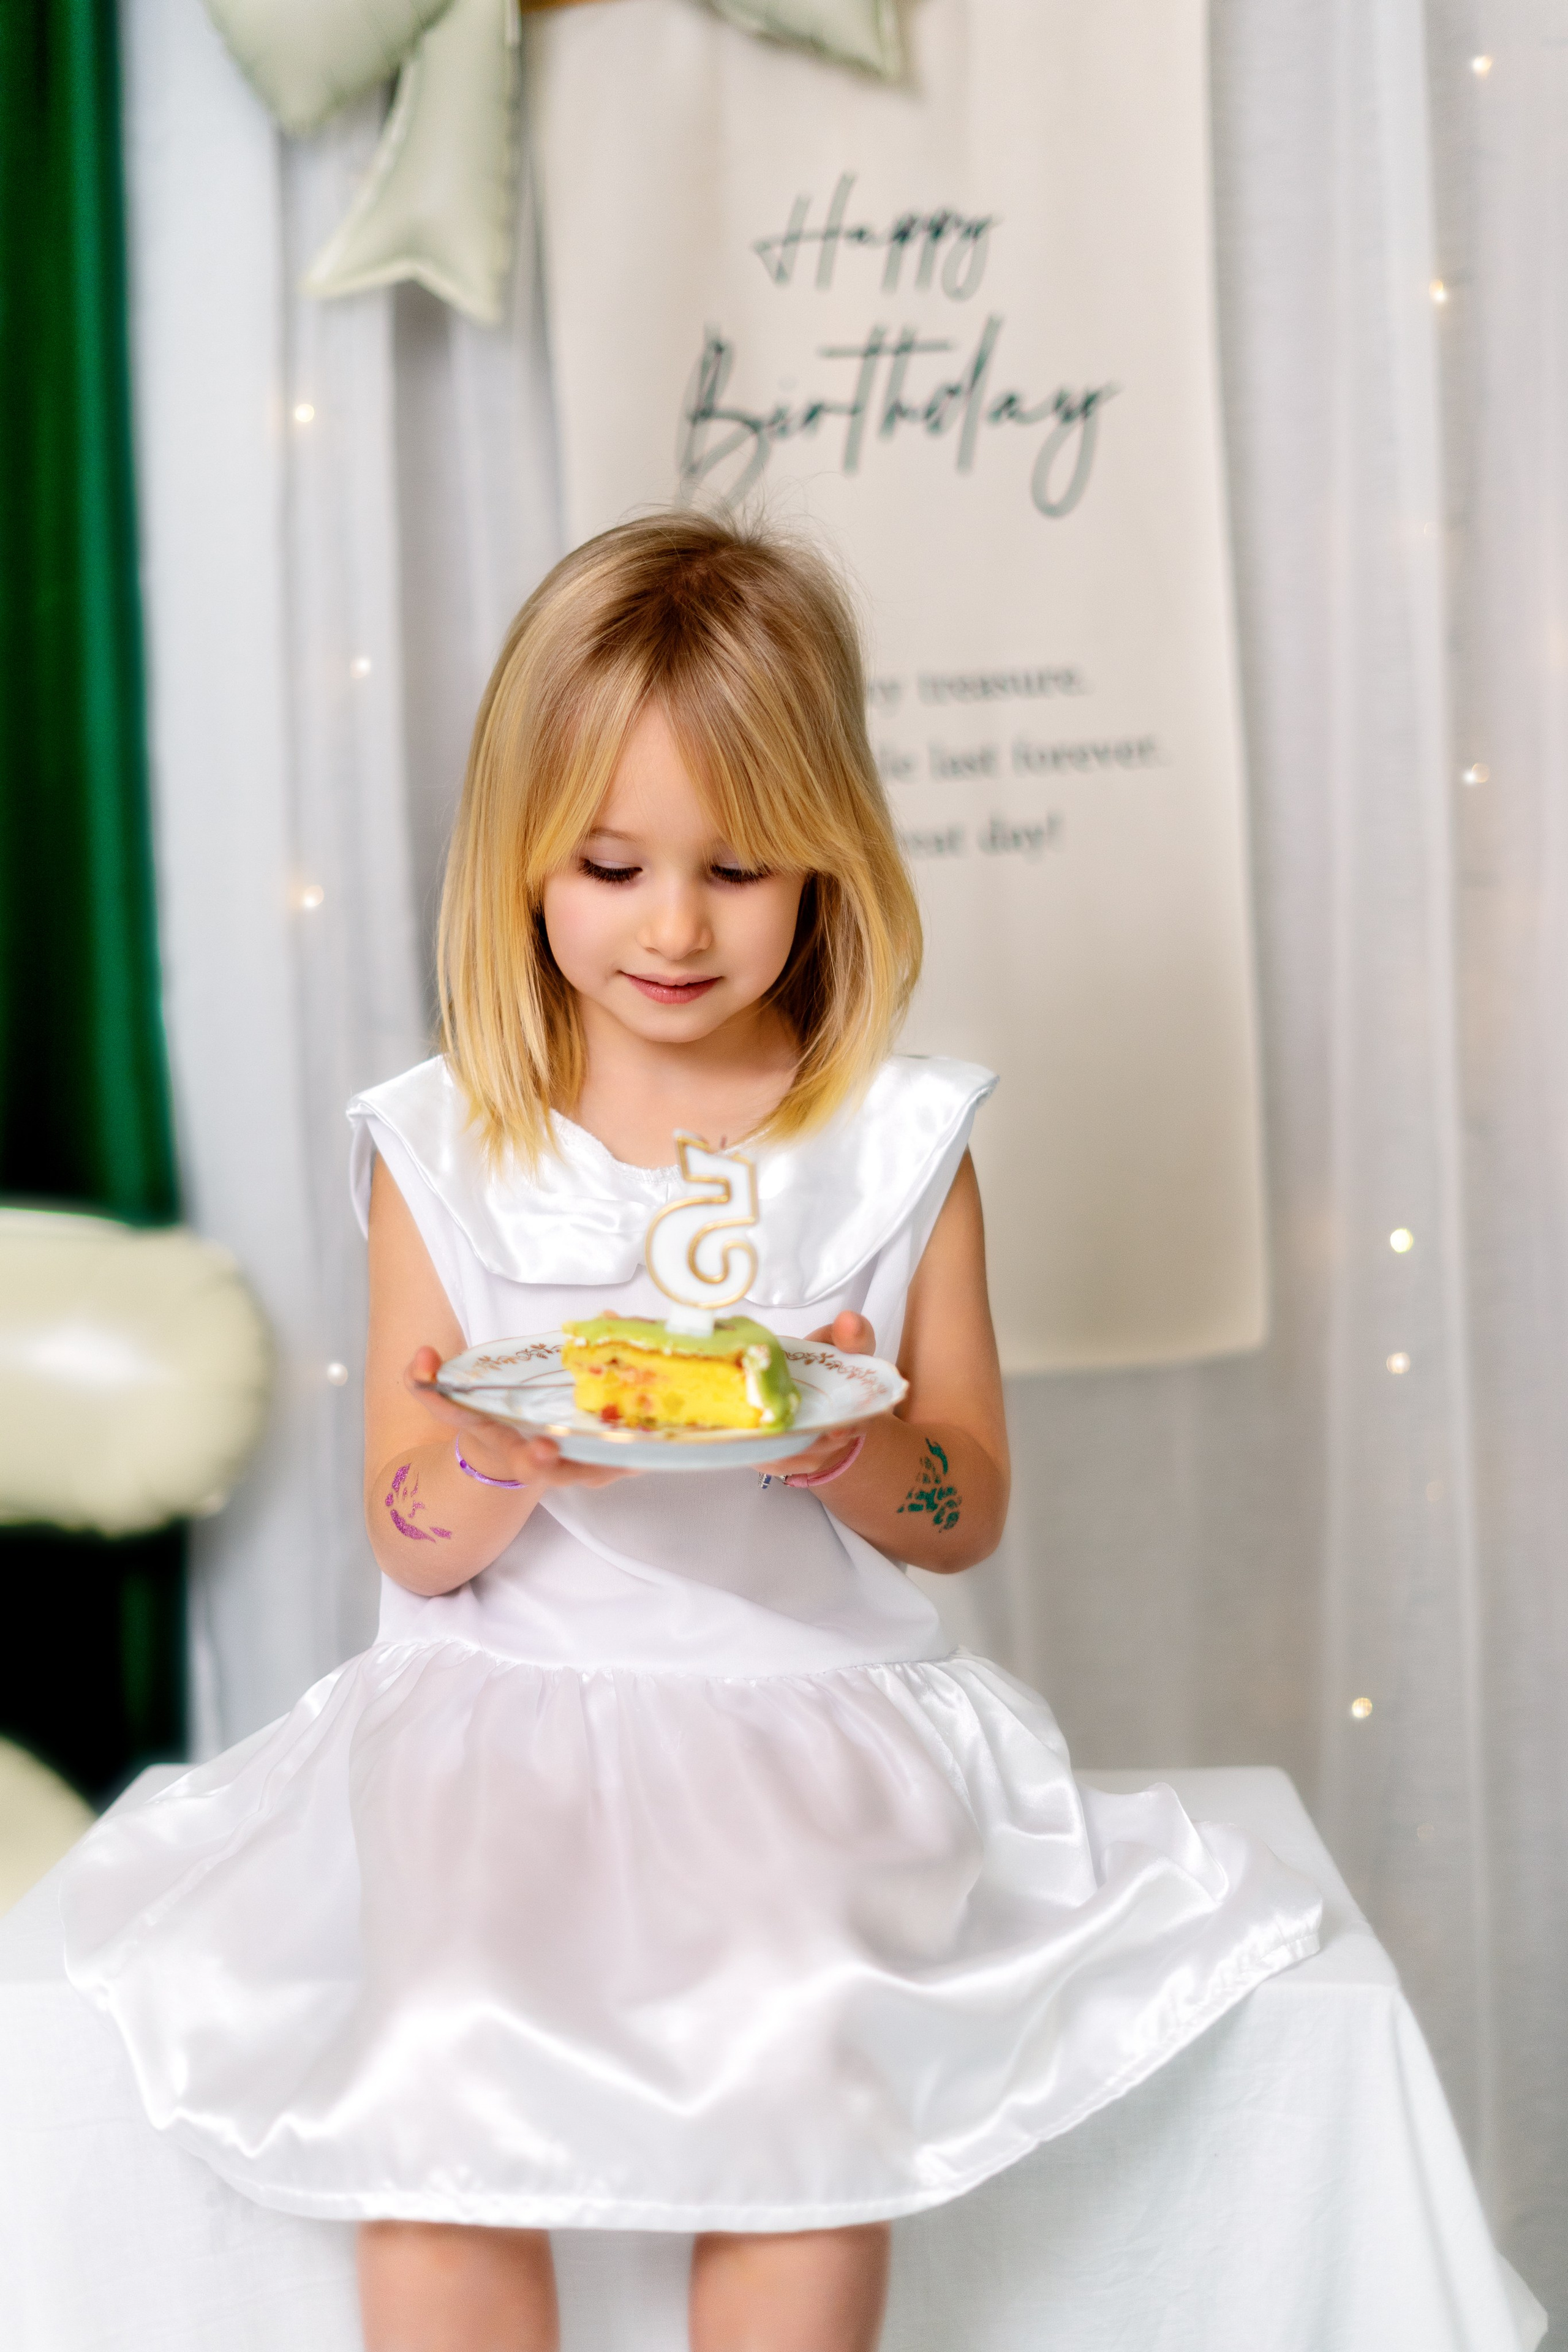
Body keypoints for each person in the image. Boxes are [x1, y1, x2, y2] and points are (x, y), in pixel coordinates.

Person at [61, 513, 1321, 2352]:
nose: (672, 926)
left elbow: (962, 1508)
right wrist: (494, 1456)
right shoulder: (445, 1143)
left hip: (804, 1707)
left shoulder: (894, 1142)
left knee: (804, 2070)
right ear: (521, 864)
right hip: (500, 1709)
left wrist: (853, 1440)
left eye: (738, 868)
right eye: (611, 863)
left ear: (829, 863)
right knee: (436, 2085)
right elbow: (409, 1531)